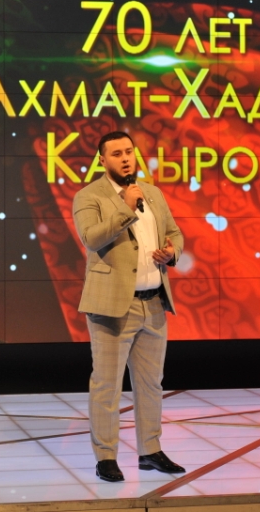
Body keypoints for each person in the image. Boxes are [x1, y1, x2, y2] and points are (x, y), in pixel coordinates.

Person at [72, 131, 186, 482]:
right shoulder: (89, 195)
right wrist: (125, 207)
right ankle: (106, 457)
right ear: (102, 160)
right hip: (111, 307)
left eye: (129, 152)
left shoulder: (152, 193)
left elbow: (175, 233)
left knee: (151, 384)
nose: (125, 159)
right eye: (116, 154)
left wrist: (172, 252)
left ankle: (150, 450)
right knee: (107, 385)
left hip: (154, 303)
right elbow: (91, 238)